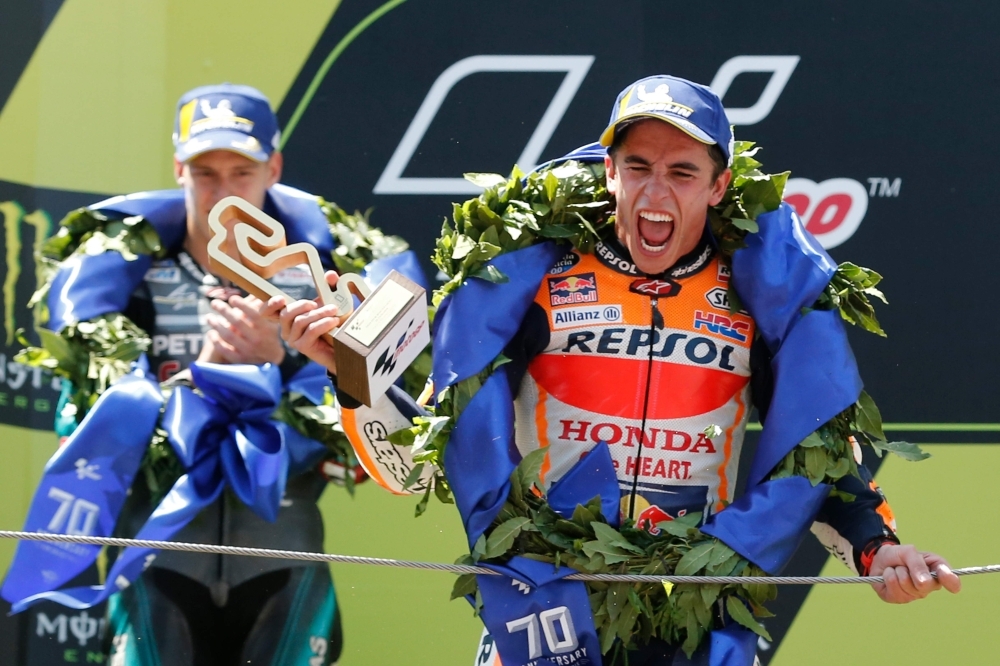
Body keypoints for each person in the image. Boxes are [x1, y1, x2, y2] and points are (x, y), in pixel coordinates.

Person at [270, 76, 960, 665]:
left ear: (720, 185)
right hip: (545, 596)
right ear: (608, 171)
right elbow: (426, 455)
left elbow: (813, 453)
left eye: (682, 172)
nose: (655, 193)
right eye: (638, 167)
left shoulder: (760, 294)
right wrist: (353, 375)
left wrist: (876, 549)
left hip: (693, 604)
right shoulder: (532, 280)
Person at [3, 84, 363, 665]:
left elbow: (369, 417)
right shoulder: (128, 274)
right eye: (205, 173)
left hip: (283, 555)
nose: (224, 193)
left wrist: (274, 365)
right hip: (155, 558)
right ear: (178, 170)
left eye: (241, 172)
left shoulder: (323, 277)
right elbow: (83, 419)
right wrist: (209, 377)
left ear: (273, 167)